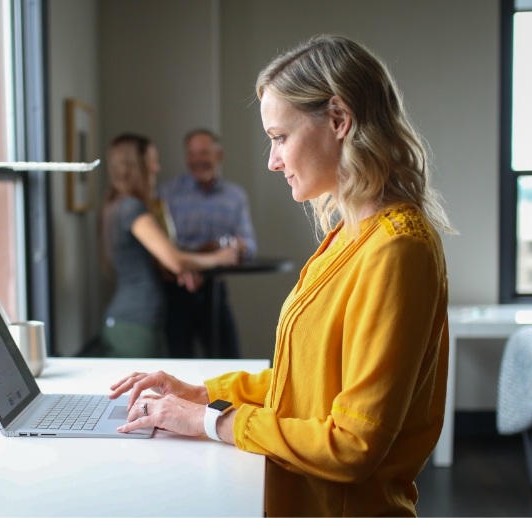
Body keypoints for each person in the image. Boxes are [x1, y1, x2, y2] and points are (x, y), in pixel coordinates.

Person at [109, 35, 455, 517]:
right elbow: (307, 383)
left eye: (279, 137)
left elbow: (353, 445)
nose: (273, 161)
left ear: (339, 119)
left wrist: (213, 422)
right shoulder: (351, 234)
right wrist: (204, 394)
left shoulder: (398, 248)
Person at [98, 134, 238, 358]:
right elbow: (174, 258)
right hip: (135, 323)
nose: (157, 167)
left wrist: (180, 272)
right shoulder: (132, 208)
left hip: (130, 322)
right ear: (137, 165)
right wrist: (221, 257)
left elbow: (159, 262)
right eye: (152, 160)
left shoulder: (118, 205)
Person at [157, 129, 257, 359]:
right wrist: (201, 254)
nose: (198, 160)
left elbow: (250, 245)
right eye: (192, 154)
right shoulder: (166, 194)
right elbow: (163, 248)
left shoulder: (235, 196)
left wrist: (237, 248)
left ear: (218, 155)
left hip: (215, 291)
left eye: (204, 153)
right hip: (176, 292)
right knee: (179, 366)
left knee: (229, 362)